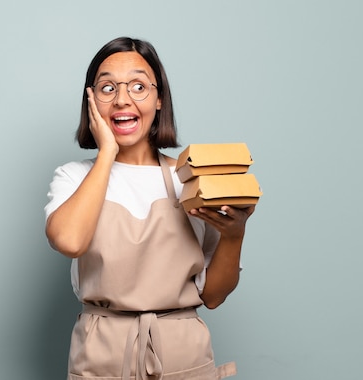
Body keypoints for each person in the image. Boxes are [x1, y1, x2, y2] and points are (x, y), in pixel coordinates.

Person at [44, 36, 255, 380]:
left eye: (139, 86)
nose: (122, 99)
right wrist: (108, 153)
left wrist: (235, 235)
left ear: (159, 100)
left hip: (183, 352)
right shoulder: (74, 177)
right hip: (101, 353)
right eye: (107, 88)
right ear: (91, 101)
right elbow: (69, 241)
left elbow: (213, 296)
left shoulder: (190, 178)